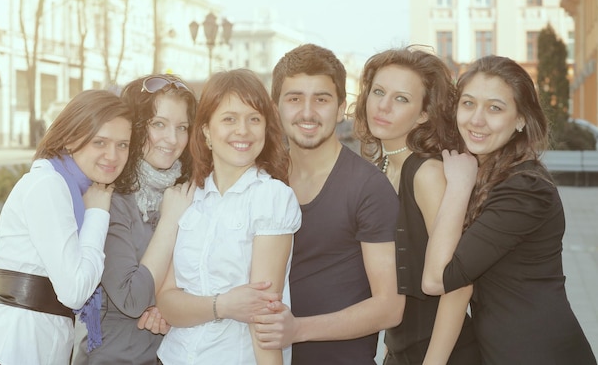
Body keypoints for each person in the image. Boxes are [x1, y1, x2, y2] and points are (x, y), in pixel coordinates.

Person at [421, 55, 597, 364]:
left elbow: (437, 279)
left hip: (539, 353)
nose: (476, 120)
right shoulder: (491, 172)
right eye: (468, 103)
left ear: (519, 120)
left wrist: (459, 186)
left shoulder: (525, 189)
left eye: (495, 108)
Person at [252, 43, 405, 364]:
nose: (307, 112)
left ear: (340, 108)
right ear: (275, 107)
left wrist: (297, 330)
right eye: (294, 98)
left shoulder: (367, 187)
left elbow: (389, 306)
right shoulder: (261, 179)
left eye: (321, 99)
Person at [0, 89, 137, 364]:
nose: (113, 155)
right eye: (100, 142)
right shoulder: (49, 185)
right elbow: (74, 291)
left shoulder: (74, 191)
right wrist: (97, 214)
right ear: (71, 138)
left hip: (41, 340)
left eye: (123, 144)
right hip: (16, 345)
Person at [155, 68, 302, 365]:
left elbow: (264, 317)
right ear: (206, 130)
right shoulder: (188, 198)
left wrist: (201, 306)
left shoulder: (271, 197)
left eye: (254, 119)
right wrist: (222, 305)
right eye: (229, 119)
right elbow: (167, 302)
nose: (243, 131)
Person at [353, 47, 482, 365]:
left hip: (443, 355)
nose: (383, 106)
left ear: (424, 113)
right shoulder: (380, 167)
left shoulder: (427, 173)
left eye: (401, 99)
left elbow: (459, 284)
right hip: (401, 351)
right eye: (378, 92)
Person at [73, 74, 197, 364]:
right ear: (137, 128)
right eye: (159, 124)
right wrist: (169, 221)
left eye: (182, 127)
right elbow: (131, 298)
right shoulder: (110, 198)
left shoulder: (188, 193)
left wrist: (169, 307)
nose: (172, 139)